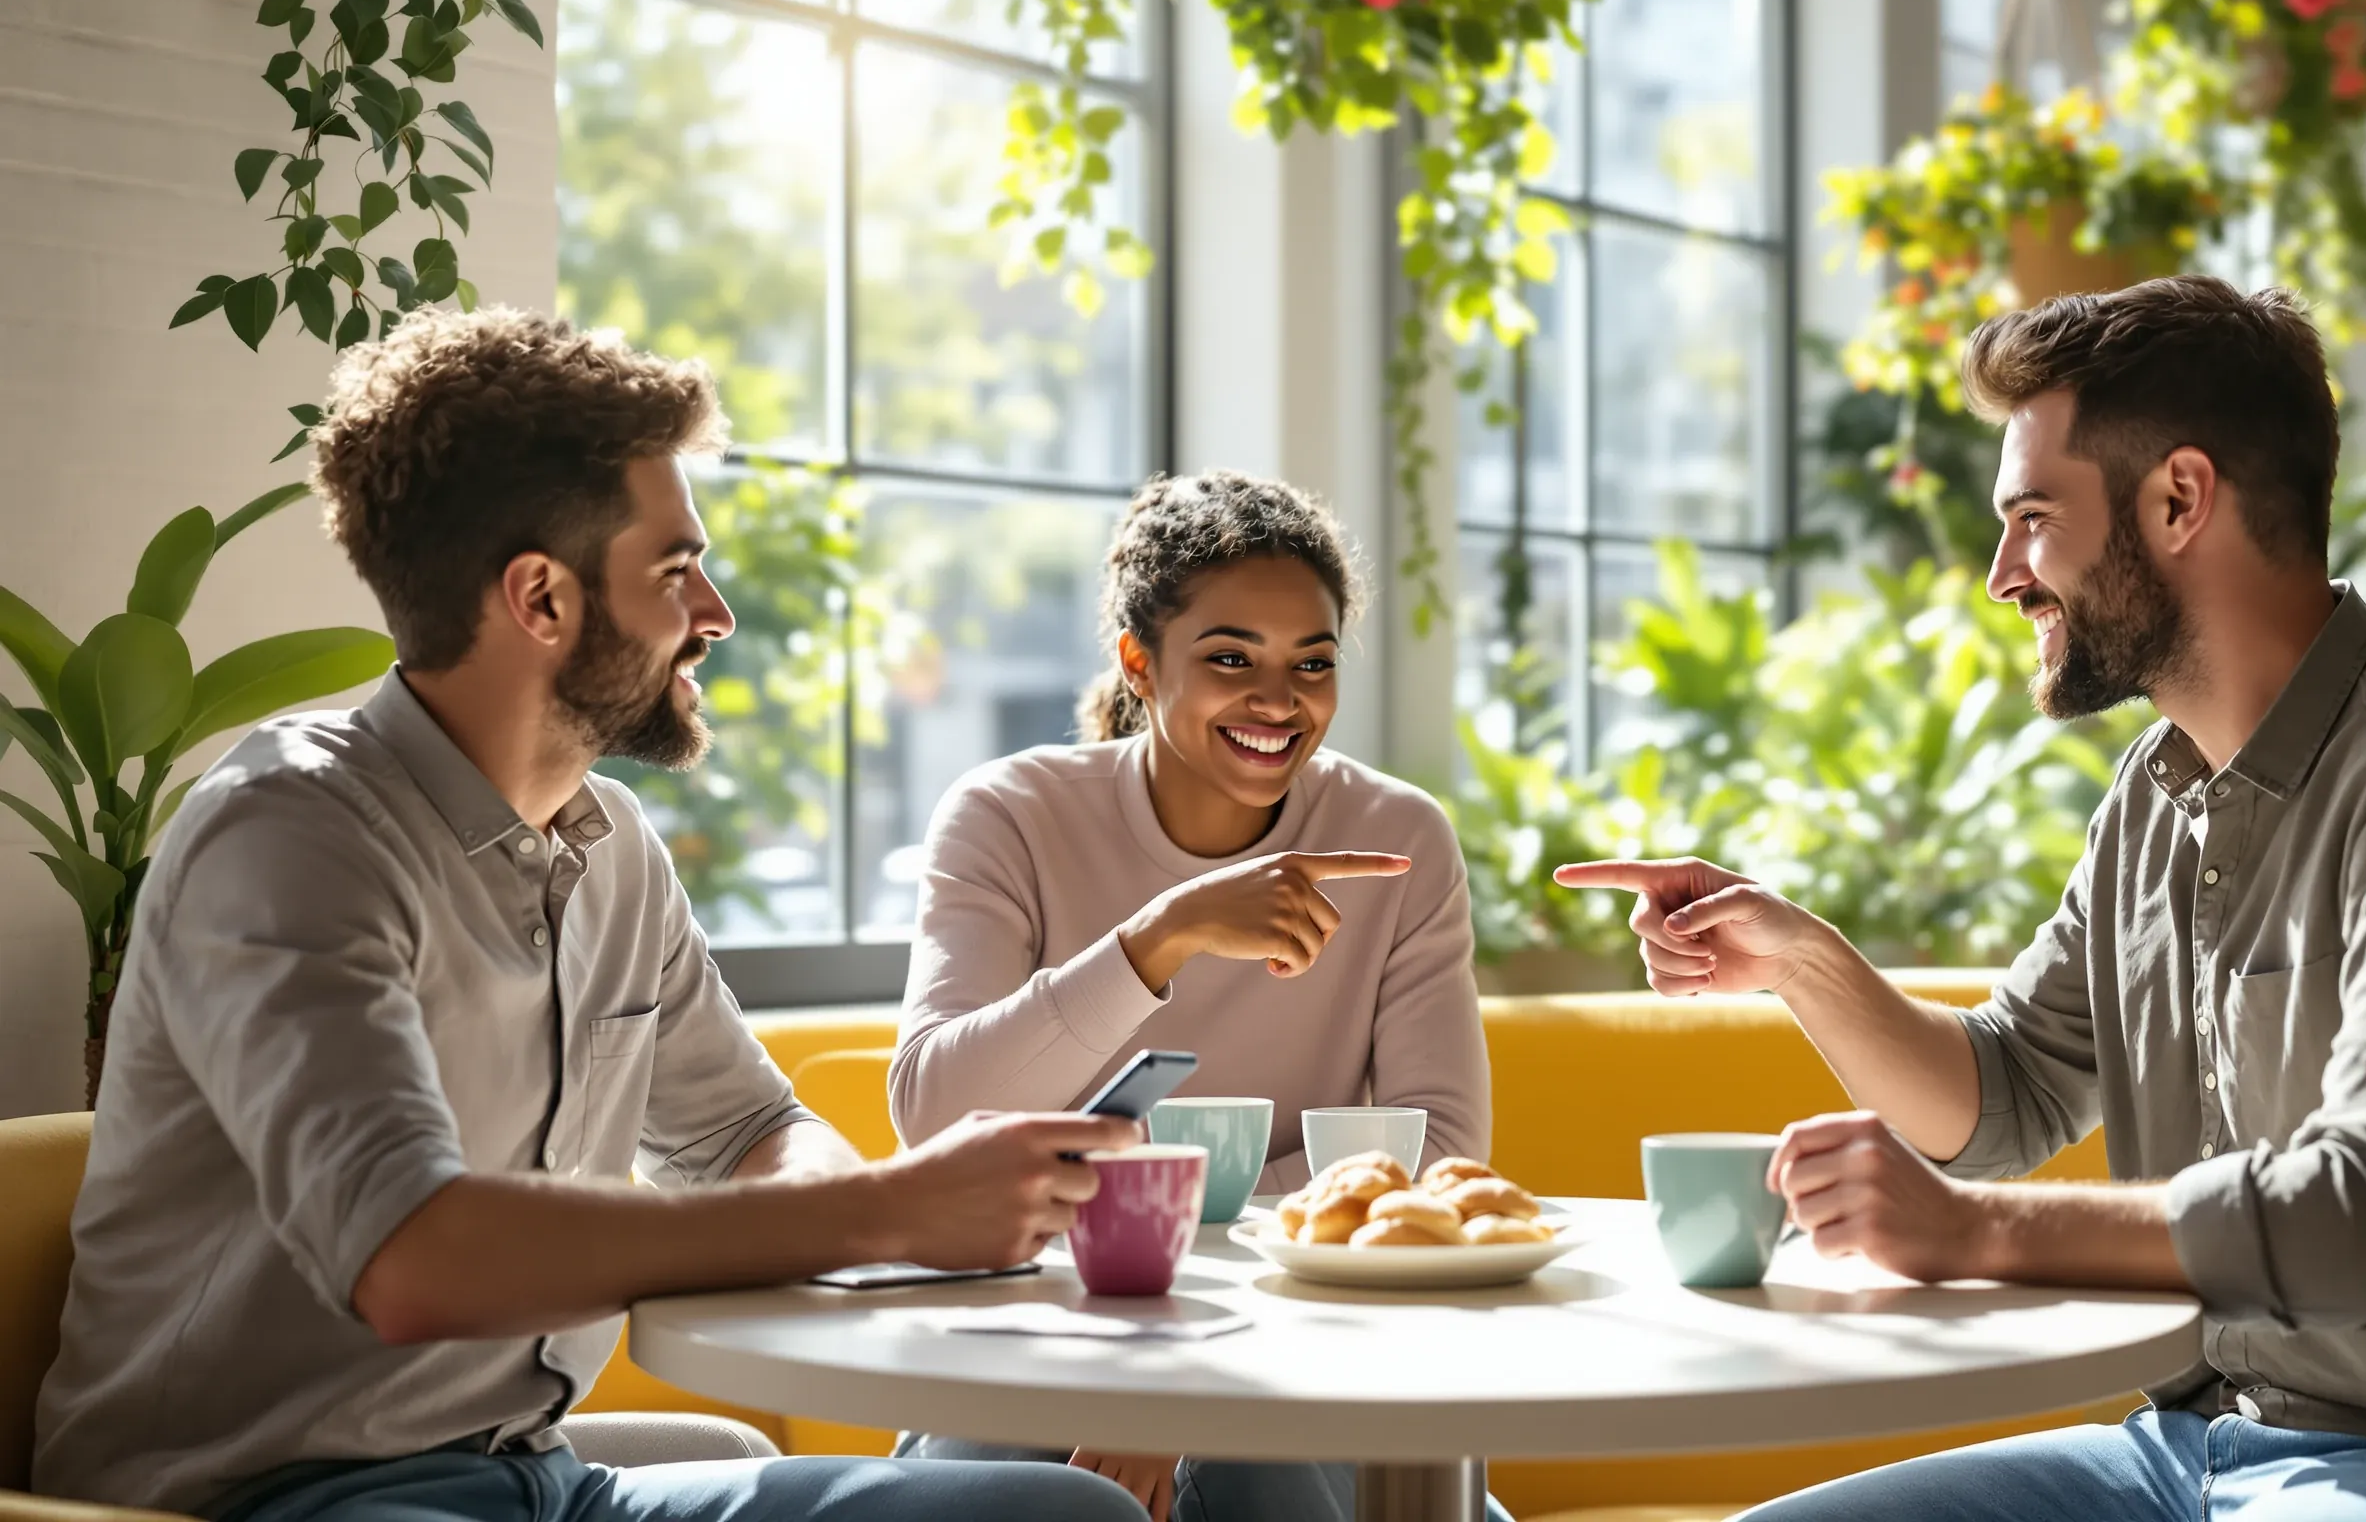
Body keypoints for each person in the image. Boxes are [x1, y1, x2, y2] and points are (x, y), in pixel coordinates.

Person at [1561, 277, 2366, 1522]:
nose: (2001, 576)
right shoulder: (2154, 795)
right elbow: (2006, 1093)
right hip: (2189, 1450)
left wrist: (1973, 1235)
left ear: (2178, 498)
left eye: (2030, 518)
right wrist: (1798, 960)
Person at [32, 310, 1148, 1522]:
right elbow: (410, 1259)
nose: (713, 613)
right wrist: (886, 1209)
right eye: (675, 572)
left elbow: (746, 1133)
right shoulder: (291, 834)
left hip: (536, 1480)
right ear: (541, 599)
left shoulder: (609, 848)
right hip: (264, 1502)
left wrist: (890, 1220)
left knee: (1057, 1514)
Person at [888, 470, 1495, 1522]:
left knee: (1271, 1462)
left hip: (1307, 1334)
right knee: (1002, 1482)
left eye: (1312, 664)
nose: (1280, 701)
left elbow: (1437, 1150)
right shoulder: (1009, 817)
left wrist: (1185, 1374)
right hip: (1044, 1334)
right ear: (1138, 659)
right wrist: (1159, 939)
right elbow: (938, 1112)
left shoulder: (1397, 839)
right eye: (1230, 661)